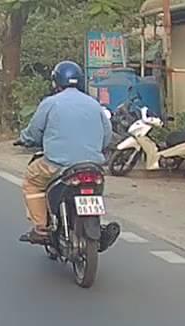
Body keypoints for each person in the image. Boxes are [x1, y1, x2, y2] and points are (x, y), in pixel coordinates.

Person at [17, 61, 113, 245]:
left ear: (56, 82)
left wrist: (25, 139)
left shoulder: (50, 103)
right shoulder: (94, 104)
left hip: (57, 165)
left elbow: (34, 132)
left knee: (32, 182)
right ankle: (97, 224)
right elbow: (107, 135)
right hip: (92, 166)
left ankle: (41, 228)